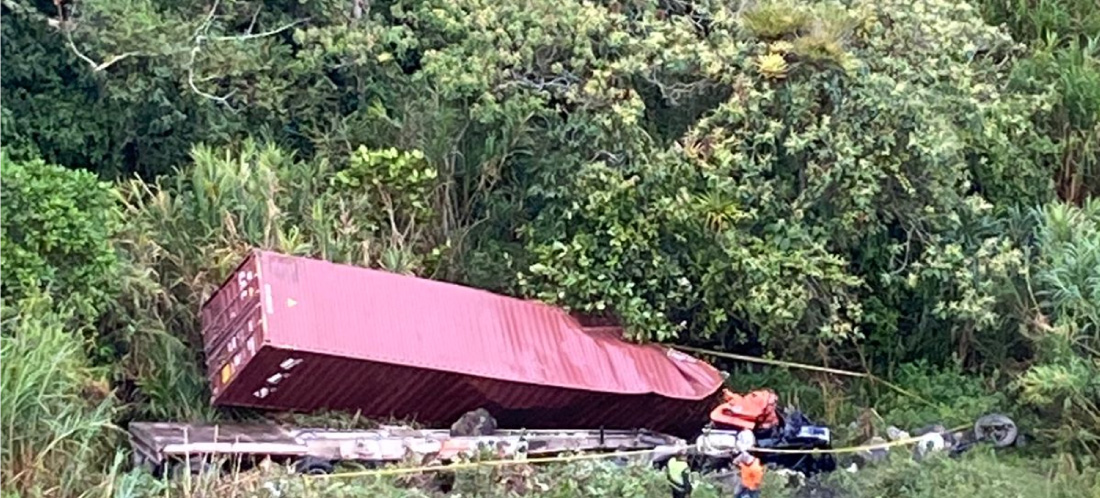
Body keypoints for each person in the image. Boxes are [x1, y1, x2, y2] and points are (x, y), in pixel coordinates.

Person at [733, 430, 764, 498]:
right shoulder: (746, 462)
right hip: (745, 489)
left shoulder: (756, 468)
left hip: (748, 490)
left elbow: (756, 483)